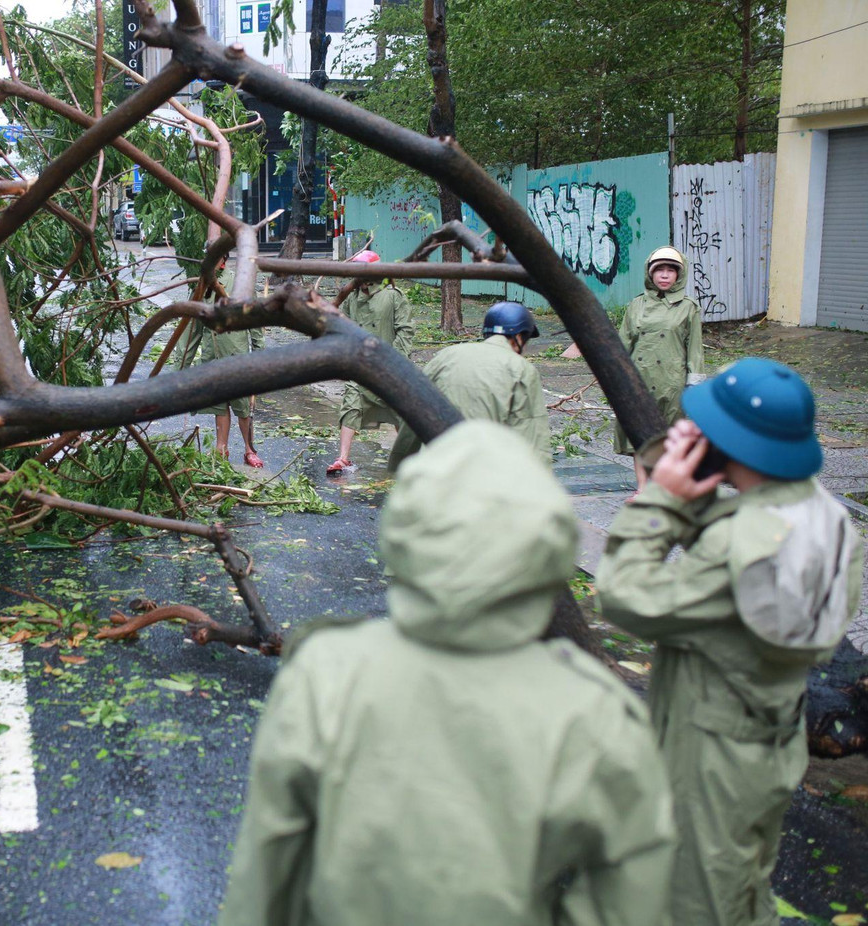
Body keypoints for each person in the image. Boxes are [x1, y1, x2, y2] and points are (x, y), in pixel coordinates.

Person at [220, 421, 677, 926]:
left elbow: (268, 871)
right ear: (551, 545)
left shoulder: (325, 673)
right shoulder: (598, 714)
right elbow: (627, 902)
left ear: (401, 532)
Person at [596, 358, 864, 926]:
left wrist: (658, 505)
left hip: (710, 756)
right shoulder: (819, 513)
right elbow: (742, 527)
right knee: (746, 886)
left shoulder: (734, 546)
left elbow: (622, 595)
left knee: (701, 901)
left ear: (733, 445)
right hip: (772, 733)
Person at [388, 300, 550, 468]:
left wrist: (400, 463)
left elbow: (415, 411)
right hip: (485, 474)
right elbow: (532, 436)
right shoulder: (522, 369)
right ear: (518, 336)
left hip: (436, 468)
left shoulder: (446, 355)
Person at [614, 245, 704, 490]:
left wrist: (694, 385)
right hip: (639, 379)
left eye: (670, 270)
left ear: (679, 274)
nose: (664, 275)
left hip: (671, 382)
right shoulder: (636, 306)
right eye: (659, 270)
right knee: (639, 435)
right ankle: (643, 488)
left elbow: (695, 348)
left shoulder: (688, 307)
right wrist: (616, 377)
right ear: (650, 274)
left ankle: (665, 487)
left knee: (669, 437)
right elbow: (622, 343)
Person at [327, 250, 414, 475]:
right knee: (351, 406)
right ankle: (343, 458)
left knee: (400, 414)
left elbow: (405, 331)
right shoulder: (352, 298)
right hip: (361, 367)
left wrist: (397, 361)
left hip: (389, 367)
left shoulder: (393, 295)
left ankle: (412, 460)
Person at [178, 260, 265, 467]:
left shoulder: (239, 284)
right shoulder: (201, 287)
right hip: (213, 356)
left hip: (237, 357)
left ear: (224, 260)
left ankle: (249, 449)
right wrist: (181, 368)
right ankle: (221, 448)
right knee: (220, 405)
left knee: (243, 407)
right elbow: (191, 333)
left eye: (215, 256)